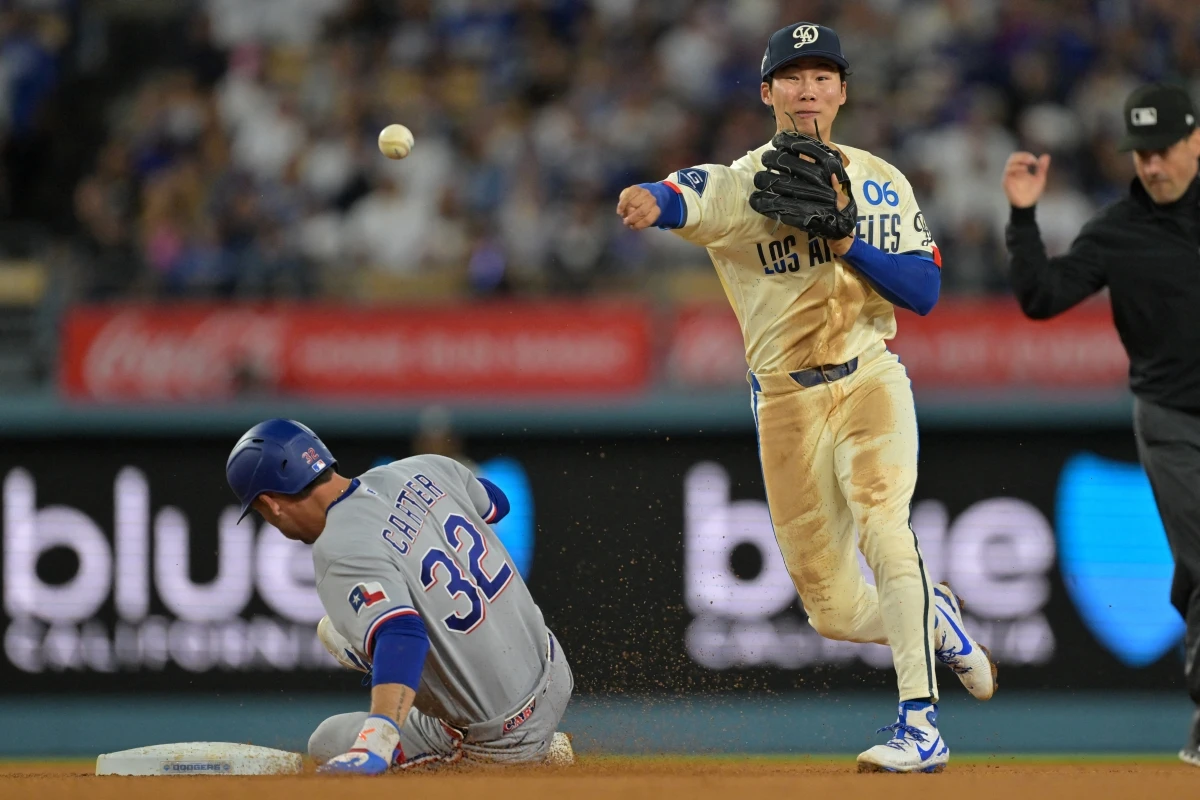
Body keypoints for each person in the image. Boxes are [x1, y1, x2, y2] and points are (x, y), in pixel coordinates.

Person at [615, 22, 995, 774]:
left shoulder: (880, 180)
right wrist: (650, 200)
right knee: (832, 611)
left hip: (868, 375)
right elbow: (685, 194)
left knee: (885, 525)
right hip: (785, 404)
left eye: (823, 76)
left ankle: (920, 724)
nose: (809, 89)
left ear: (843, 91)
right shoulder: (743, 184)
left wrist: (848, 242)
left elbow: (925, 290)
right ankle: (935, 619)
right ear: (768, 92)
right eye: (793, 76)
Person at [1003, 82, 1200, 768]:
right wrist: (1023, 217)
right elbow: (1042, 297)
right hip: (1172, 419)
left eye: (1165, 148)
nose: (1153, 164)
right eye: (1142, 153)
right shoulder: (1117, 231)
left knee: (1195, 573)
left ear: (1196, 141)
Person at [225, 418, 574, 774]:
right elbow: (498, 503)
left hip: (502, 736)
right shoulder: (424, 467)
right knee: (347, 629)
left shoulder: (339, 547)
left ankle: (533, 755)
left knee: (328, 741)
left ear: (271, 504)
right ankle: (541, 741)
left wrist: (376, 744)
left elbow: (403, 635)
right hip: (555, 673)